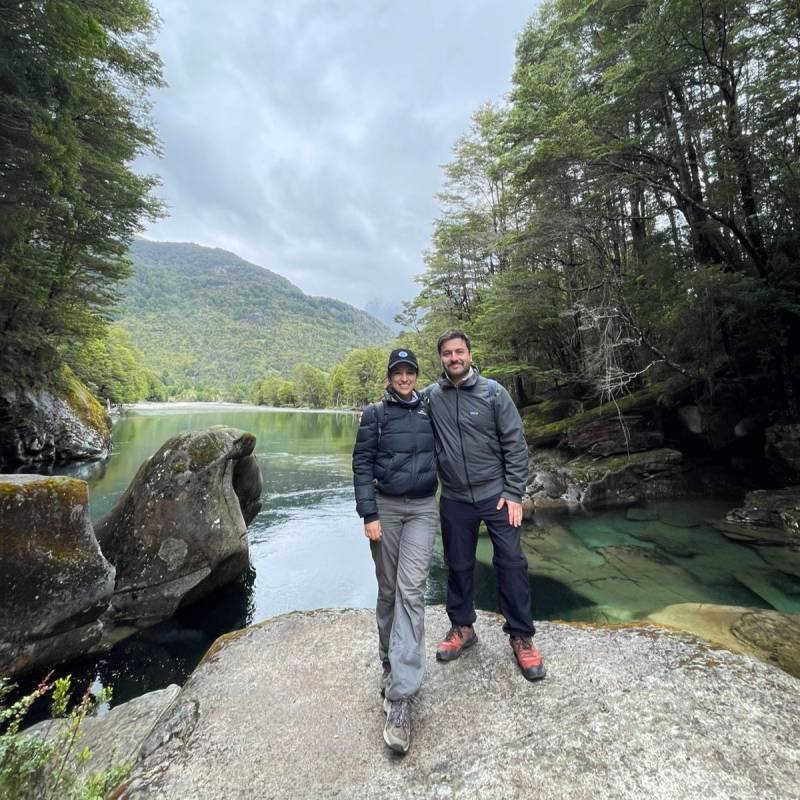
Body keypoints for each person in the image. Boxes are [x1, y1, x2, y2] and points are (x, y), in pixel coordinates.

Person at [425, 329, 546, 681]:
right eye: (447, 353)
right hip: (455, 498)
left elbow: (515, 444)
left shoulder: (494, 393)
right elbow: (405, 412)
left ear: (470, 354)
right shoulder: (433, 397)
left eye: (459, 352)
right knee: (458, 565)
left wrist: (513, 493)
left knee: (511, 562)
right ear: (441, 359)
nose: (453, 358)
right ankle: (462, 627)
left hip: (496, 495)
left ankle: (521, 635)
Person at [352, 347, 438, 754]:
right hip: (385, 508)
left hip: (422, 508)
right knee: (388, 591)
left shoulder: (429, 409)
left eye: (409, 372)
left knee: (411, 591)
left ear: (417, 376)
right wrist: (368, 513)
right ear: (389, 377)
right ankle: (388, 661)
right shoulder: (375, 414)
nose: (404, 378)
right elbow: (361, 464)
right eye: (397, 373)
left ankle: (401, 696)